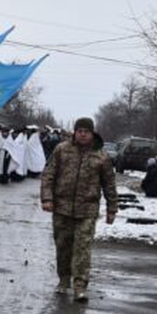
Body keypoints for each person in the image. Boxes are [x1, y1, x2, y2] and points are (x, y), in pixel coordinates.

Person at [40, 117, 118, 303]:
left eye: (86, 131)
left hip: (87, 210)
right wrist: (47, 199)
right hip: (62, 208)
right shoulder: (62, 150)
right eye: (80, 131)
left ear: (92, 134)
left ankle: (80, 286)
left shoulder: (101, 156)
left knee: (82, 249)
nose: (82, 134)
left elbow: (109, 184)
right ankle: (63, 279)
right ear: (75, 132)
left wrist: (112, 208)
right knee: (63, 246)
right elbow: (49, 175)